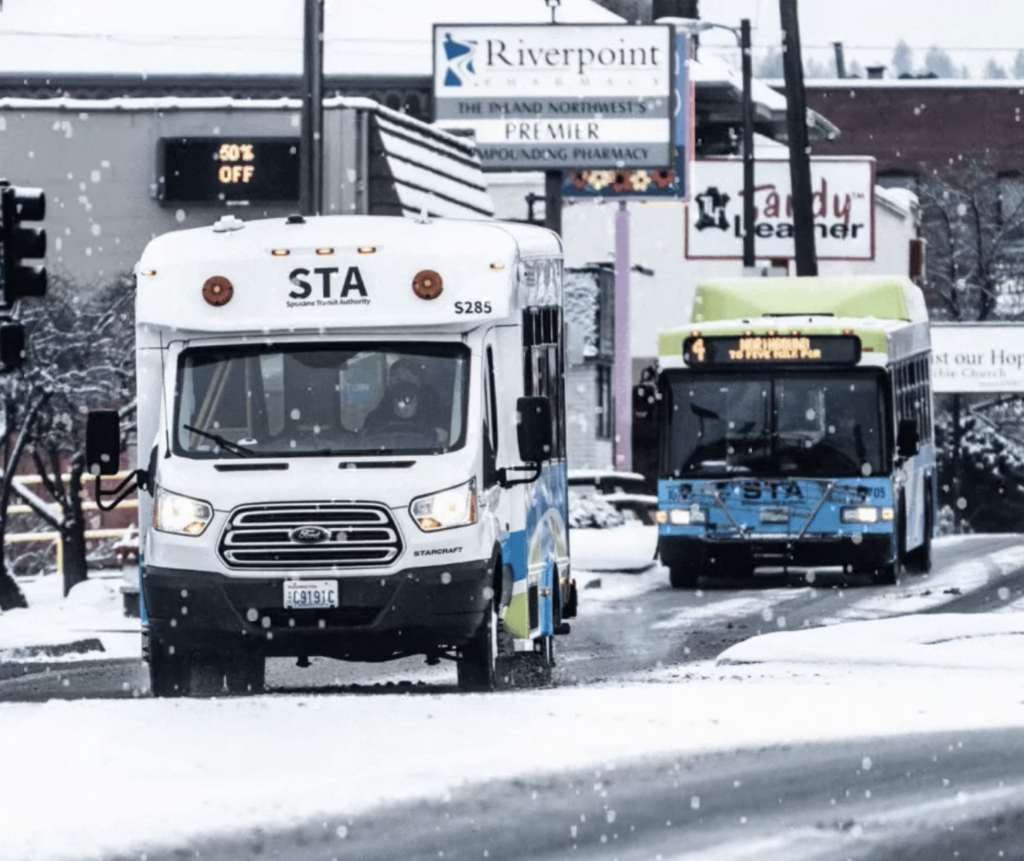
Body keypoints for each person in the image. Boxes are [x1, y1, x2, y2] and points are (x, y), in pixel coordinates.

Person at [363, 357, 449, 445]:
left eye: (409, 379)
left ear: (419, 383)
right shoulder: (376, 417)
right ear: (390, 384)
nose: (403, 384)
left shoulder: (435, 414)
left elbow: (443, 438)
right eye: (398, 380)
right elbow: (366, 441)